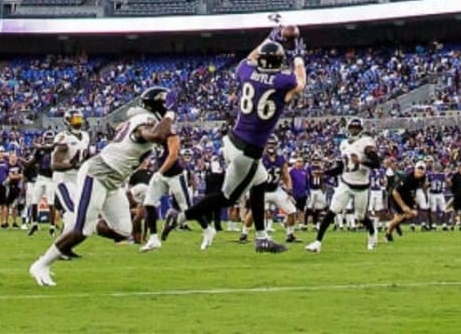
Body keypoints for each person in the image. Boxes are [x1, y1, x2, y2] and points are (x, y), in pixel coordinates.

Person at [29, 87, 175, 287]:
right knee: (80, 230)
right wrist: (170, 114)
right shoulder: (146, 121)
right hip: (97, 173)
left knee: (123, 231)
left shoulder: (142, 119)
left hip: (114, 180)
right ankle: (42, 264)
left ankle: (90, 221)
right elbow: (156, 136)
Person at [184, 26, 307, 253]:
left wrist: (271, 37)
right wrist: (298, 56)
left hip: (233, 140)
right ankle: (183, 215)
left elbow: (250, 57)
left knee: (259, 183)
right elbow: (301, 82)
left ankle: (261, 239)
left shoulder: (246, 71)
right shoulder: (281, 82)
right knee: (227, 198)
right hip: (248, 151)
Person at [305, 116, 381, 254]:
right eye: (352, 127)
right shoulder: (344, 144)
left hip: (361, 187)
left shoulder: (366, 142)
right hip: (345, 184)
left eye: (357, 128)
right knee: (331, 212)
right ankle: (317, 243)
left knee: (360, 217)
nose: (354, 130)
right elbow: (341, 167)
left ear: (361, 129)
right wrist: (325, 173)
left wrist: (361, 163)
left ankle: (372, 232)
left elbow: (377, 164)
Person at [141, 117, 192, 251]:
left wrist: (160, 171)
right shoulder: (155, 136)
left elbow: (173, 155)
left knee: (188, 210)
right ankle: (153, 238)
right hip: (161, 174)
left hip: (174, 174)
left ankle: (206, 230)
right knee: (149, 203)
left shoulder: (171, 135)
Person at [385, 161, 427, 241]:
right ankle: (389, 233)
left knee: (413, 214)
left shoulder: (423, 178)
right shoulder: (407, 178)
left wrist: (414, 198)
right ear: (415, 169)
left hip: (407, 195)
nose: (420, 171)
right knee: (402, 215)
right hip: (396, 195)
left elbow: (414, 188)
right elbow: (395, 192)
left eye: (422, 169)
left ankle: (394, 224)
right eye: (419, 168)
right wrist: (403, 206)